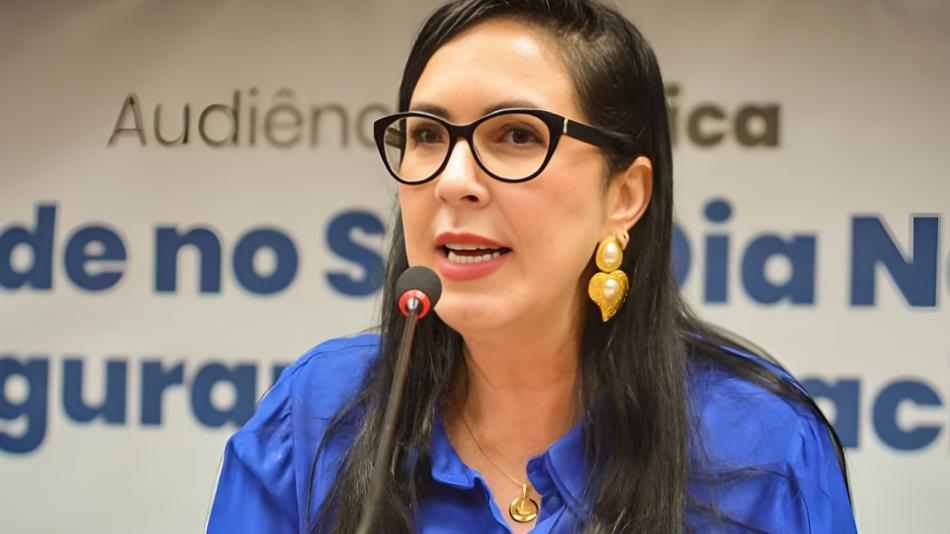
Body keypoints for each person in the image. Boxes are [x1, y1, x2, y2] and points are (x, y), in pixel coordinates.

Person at [207, 1, 857, 532]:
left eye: (517, 135)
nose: (453, 181)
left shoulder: (761, 449)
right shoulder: (315, 417)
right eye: (428, 135)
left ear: (624, 196)